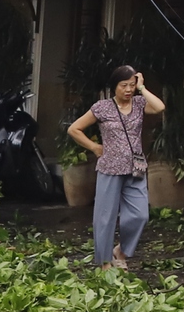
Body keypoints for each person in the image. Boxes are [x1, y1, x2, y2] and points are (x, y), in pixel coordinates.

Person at [68, 65, 166, 269]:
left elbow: (159, 107)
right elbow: (74, 129)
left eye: (131, 85)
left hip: (135, 168)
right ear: (114, 87)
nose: (128, 89)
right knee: (105, 218)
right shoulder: (102, 107)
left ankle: (120, 252)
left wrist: (143, 88)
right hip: (110, 168)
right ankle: (104, 263)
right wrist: (94, 147)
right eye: (124, 86)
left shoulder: (139, 103)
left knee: (140, 215)